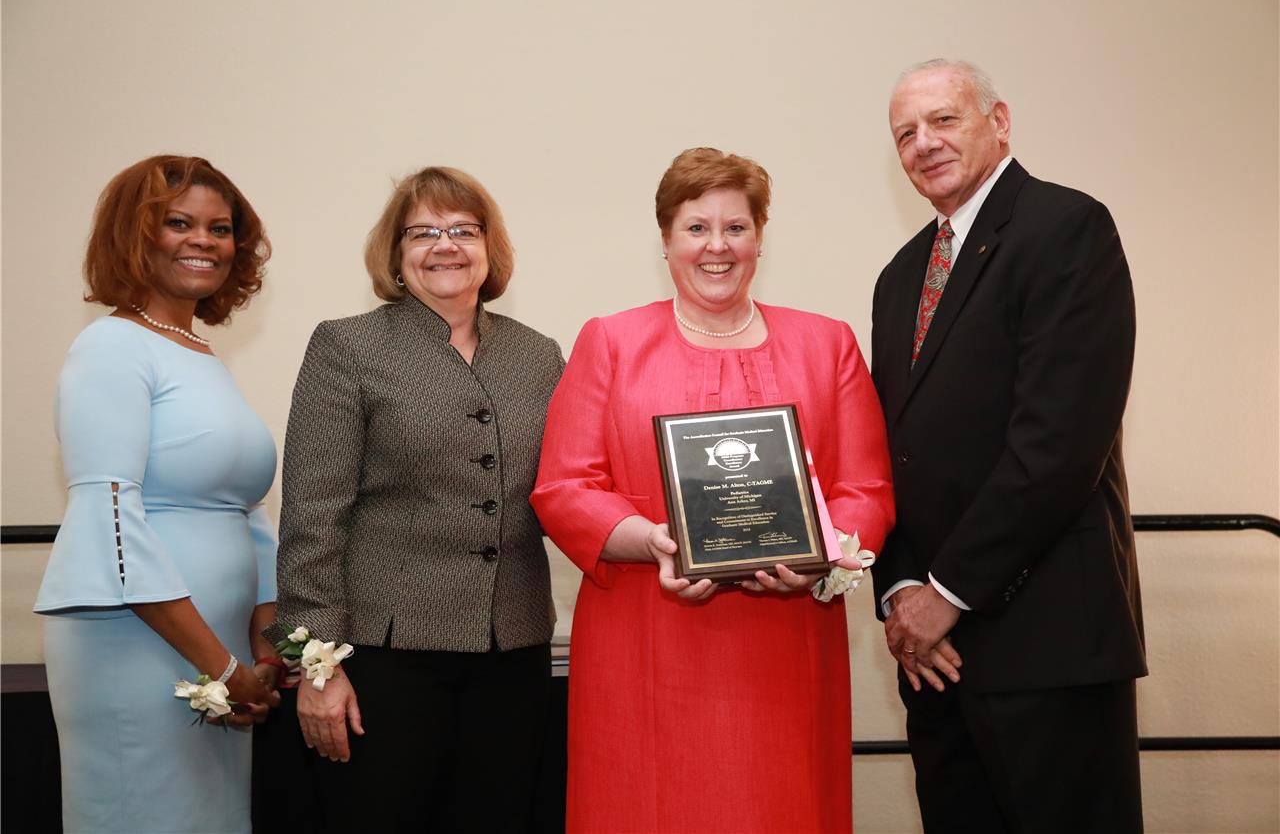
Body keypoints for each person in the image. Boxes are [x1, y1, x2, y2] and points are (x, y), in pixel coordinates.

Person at [531, 147, 894, 833]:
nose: (716, 246)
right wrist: (654, 541)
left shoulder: (828, 343)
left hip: (786, 640)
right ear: (666, 240)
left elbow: (866, 487)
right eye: (696, 228)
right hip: (644, 638)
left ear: (760, 237)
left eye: (735, 227)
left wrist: (821, 556)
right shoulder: (610, 341)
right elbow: (565, 486)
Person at [869, 59, 1146, 833]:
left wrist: (946, 593)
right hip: (933, 659)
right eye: (905, 133)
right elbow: (889, 451)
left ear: (999, 121)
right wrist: (901, 591)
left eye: (943, 120)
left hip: (1047, 644)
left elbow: (1057, 445)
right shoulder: (900, 277)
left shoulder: (1066, 228)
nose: (924, 143)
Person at [266, 166, 564, 832]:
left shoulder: (538, 354)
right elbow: (312, 517)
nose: (445, 245)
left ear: (490, 247)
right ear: (395, 254)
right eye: (422, 232)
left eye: (463, 230)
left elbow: (570, 486)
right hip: (381, 658)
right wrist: (314, 667)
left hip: (513, 652)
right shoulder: (346, 345)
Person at [34, 155, 281, 833]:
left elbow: (247, 512)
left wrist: (266, 647)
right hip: (135, 645)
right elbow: (111, 523)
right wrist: (221, 666)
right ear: (135, 235)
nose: (204, 240)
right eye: (179, 223)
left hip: (217, 655)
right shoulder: (111, 347)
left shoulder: (197, 352)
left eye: (220, 228)